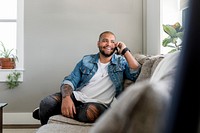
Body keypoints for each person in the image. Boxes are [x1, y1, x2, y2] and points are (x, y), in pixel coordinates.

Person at [32, 31, 141, 125]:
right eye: (105, 40)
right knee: (46, 103)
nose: (109, 44)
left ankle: (55, 111)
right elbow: (70, 80)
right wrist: (66, 98)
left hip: (100, 103)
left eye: (112, 41)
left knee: (88, 114)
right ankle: (49, 113)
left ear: (116, 45)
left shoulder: (120, 62)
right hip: (78, 97)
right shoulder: (86, 60)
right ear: (98, 43)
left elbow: (135, 72)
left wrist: (125, 50)